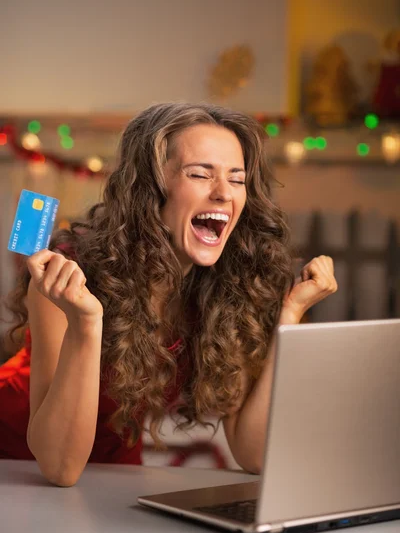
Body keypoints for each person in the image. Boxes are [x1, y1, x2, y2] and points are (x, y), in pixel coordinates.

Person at [0, 102, 337, 486]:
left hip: (113, 467)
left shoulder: (226, 286)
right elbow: (59, 467)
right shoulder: (71, 274)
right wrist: (87, 323)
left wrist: (289, 318)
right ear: (150, 187)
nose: (223, 193)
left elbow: (253, 452)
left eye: (237, 179)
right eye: (199, 174)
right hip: (15, 464)